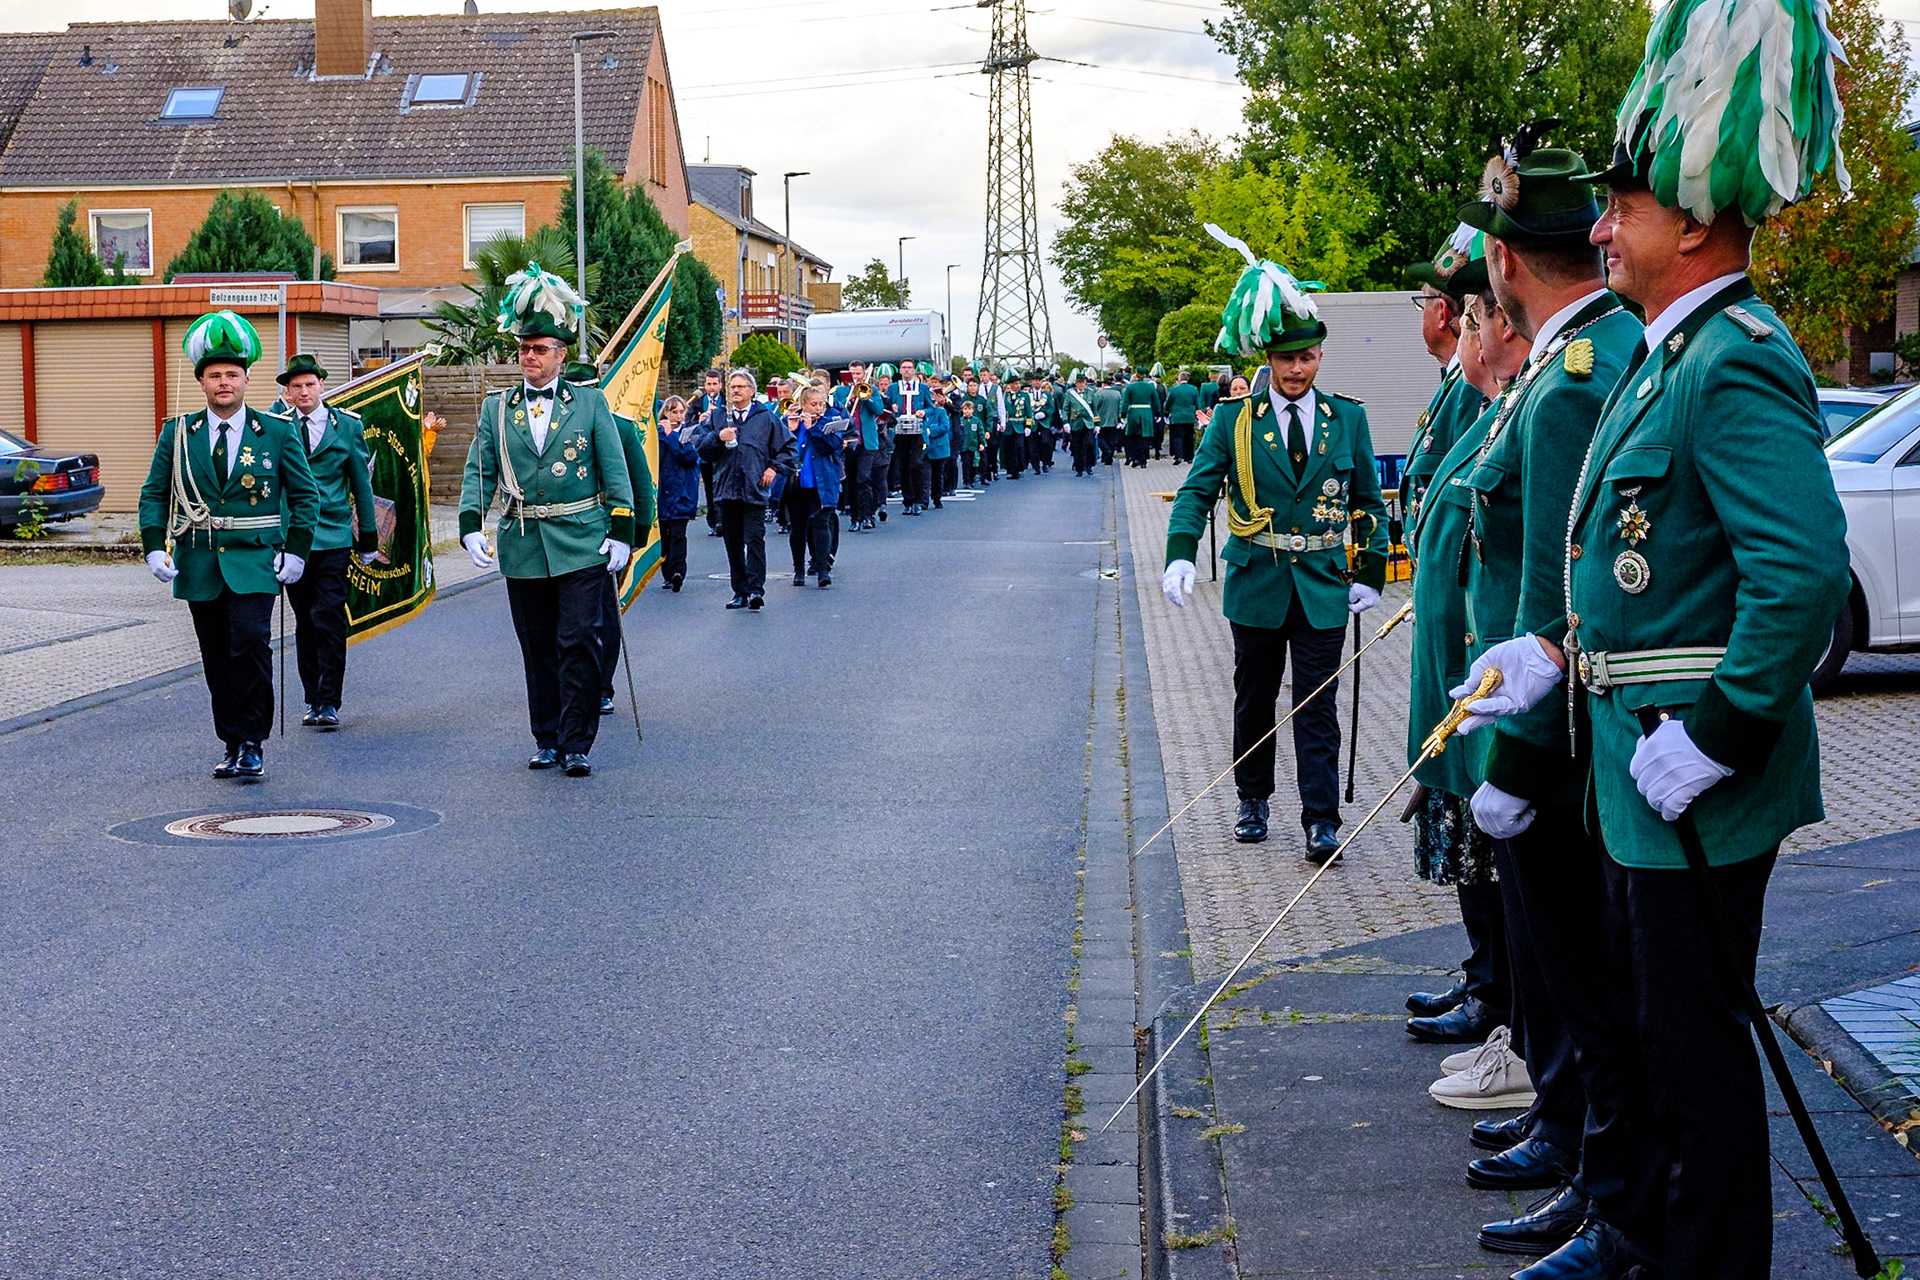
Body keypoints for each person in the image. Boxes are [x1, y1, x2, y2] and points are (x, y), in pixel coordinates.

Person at [1460, 11, 1853, 1272]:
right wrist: (1553, 660)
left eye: (1621, 206)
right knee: (1666, 1040)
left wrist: (1724, 731)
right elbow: (1631, 576)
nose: (1600, 228)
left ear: (1688, 224)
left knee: (1694, 1064)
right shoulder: (1661, 357)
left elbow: (1800, 577)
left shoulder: (1730, 360)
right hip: (1642, 768)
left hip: (1694, 780)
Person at [1162, 242, 1389, 863]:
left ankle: (1321, 818)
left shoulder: (1347, 418)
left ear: (1320, 356)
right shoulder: (1234, 419)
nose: (1298, 370)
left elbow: (1369, 501)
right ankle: (1252, 799)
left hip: (1321, 585)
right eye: (1288, 359)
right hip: (1257, 580)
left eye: (1309, 357)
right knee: (1254, 698)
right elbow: (1198, 490)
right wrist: (1180, 553)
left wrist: (1370, 569)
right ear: (1269, 358)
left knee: (1318, 707)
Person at [1407, 288, 1537, 1126]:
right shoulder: (1486, 398)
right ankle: (1501, 1002)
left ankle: (1518, 1032)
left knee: (1519, 880)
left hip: (1502, 680)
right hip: (1469, 665)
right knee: (1485, 863)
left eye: (1475, 315)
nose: (1460, 328)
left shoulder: (1546, 391)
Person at [1394, 226, 1515, 1058]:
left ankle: (1501, 1000)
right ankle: (1487, 980)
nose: (1459, 326)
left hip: (1483, 658)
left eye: (1471, 311)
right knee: (1468, 846)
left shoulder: (1503, 392)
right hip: (1451, 651)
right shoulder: (1462, 388)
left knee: (1490, 852)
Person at [458, 266, 635, 777]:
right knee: (537, 646)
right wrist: (471, 524)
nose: (529, 357)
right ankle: (549, 737)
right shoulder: (497, 410)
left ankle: (578, 740)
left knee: (578, 639)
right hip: (523, 543)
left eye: (540, 349)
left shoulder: (591, 402)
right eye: (523, 349)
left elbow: (615, 472)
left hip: (582, 540)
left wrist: (621, 533)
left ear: (561, 354)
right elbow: (479, 470)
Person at [138, 311, 319, 781]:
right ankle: (232, 740)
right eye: (215, 376)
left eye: (232, 375)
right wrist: (155, 547)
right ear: (201, 381)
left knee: (252, 645)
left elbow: (304, 496)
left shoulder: (275, 432)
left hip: (256, 560)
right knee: (216, 656)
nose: (224, 383)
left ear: (245, 380)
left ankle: (254, 741)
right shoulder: (177, 433)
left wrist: (296, 550)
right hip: (199, 562)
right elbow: (155, 494)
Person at [268, 352, 379, 730]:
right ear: (287, 392)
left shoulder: (346, 427)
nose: (303, 392)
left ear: (322, 386)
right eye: (295, 386)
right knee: (304, 619)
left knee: (328, 614)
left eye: (309, 385)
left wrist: (368, 537)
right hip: (293, 538)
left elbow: (361, 486)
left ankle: (330, 699)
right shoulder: (277, 427)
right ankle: (312, 697)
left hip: (333, 535)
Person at [559, 361, 656, 720]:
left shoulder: (621, 428)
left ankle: (601, 686)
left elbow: (640, 486)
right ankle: (571, 682)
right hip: (564, 534)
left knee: (603, 611)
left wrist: (634, 537)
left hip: (608, 533)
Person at [693, 368, 797, 610]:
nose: (736, 390)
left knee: (755, 540)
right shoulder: (719, 417)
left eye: (741, 386)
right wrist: (719, 437)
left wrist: (773, 468)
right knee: (733, 543)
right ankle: (739, 590)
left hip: (754, 489)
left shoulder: (765, 417)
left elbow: (788, 448)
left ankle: (755, 590)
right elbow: (701, 447)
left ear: (752, 391)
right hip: (727, 489)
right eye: (733, 387)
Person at [1401, 231, 1485, 526]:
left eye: (1422, 303)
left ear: (1441, 313)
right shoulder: (1458, 381)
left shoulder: (1470, 387)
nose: (1421, 314)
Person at [780, 383, 844, 588]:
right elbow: (779, 448)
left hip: (821, 482)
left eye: (821, 404)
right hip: (796, 483)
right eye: (813, 404)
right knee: (797, 527)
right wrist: (789, 429)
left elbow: (831, 447)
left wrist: (813, 429)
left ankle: (823, 569)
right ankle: (798, 570)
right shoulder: (790, 422)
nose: (818, 408)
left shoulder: (831, 421)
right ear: (803, 406)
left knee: (821, 524)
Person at [655, 396, 698, 591]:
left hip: (682, 492)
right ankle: (667, 573)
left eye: (681, 412)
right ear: (665, 414)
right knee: (664, 535)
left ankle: (678, 572)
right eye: (674, 412)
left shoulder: (689, 433)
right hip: (663, 493)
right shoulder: (657, 436)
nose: (678, 416)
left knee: (679, 534)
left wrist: (672, 435)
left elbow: (688, 456)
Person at [888, 361, 937, 515]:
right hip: (900, 430)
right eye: (904, 368)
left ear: (914, 370)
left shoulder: (922, 388)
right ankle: (907, 501)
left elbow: (931, 407)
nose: (907, 370)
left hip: (917, 431)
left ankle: (918, 500)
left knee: (916, 464)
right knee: (903, 466)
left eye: (909, 368)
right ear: (900, 371)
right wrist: (892, 408)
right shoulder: (894, 387)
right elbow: (886, 405)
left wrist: (924, 412)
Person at [690, 369, 726, 537]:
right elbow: (689, 426)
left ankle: (722, 521)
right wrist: (700, 420)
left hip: (722, 452)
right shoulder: (698, 403)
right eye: (708, 384)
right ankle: (713, 522)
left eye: (714, 384)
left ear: (720, 385)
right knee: (710, 489)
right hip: (705, 453)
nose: (711, 388)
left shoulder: (726, 402)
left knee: (722, 486)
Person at [1063, 370, 1098, 476]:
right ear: (1076, 383)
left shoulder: (1091, 393)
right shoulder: (1070, 394)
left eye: (1083, 382)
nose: (1081, 384)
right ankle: (1079, 467)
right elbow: (1065, 409)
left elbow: (1095, 409)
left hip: (1088, 423)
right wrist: (1065, 422)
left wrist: (1097, 424)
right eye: (1079, 382)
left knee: (1089, 444)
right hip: (1076, 423)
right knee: (1077, 446)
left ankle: (1089, 465)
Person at [1164, 369, 1201, 464]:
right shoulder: (1194, 389)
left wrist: (1167, 411)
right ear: (1188, 379)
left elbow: (1168, 403)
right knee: (1189, 437)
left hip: (1177, 417)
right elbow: (1197, 404)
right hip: (1189, 417)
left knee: (1178, 437)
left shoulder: (1174, 390)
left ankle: (1178, 456)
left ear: (1179, 379)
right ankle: (1189, 457)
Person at [1120, 370, 1157, 467]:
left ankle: (1135, 459)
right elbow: (1156, 401)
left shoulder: (1130, 387)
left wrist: (1123, 414)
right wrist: (1157, 413)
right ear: (1144, 376)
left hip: (1133, 413)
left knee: (1133, 437)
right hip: (1146, 413)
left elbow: (1125, 402)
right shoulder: (1150, 387)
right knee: (1144, 438)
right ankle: (1143, 461)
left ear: (1136, 375)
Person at [923, 390, 952, 510]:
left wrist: (930, 432)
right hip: (925, 448)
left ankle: (937, 498)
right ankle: (923, 501)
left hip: (939, 448)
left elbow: (945, 426)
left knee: (937, 475)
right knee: (924, 476)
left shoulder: (941, 411)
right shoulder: (922, 412)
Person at [1094, 374, 1123, 467]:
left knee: (1101, 438)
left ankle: (1107, 451)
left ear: (1103, 384)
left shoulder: (1099, 394)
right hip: (1114, 420)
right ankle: (1108, 459)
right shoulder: (1117, 394)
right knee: (1111, 439)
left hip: (1101, 420)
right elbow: (1120, 407)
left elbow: (1095, 407)